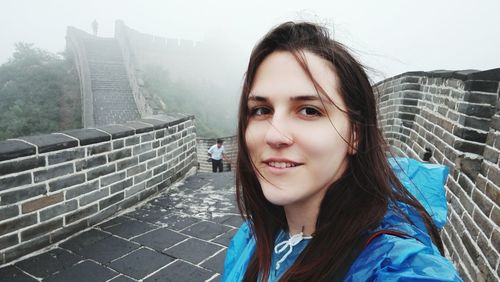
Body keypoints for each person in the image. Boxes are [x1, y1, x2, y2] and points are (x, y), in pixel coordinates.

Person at [222, 22, 462, 281]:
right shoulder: (254, 235)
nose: (273, 135)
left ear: (355, 134)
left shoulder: (396, 268)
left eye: (309, 111)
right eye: (261, 110)